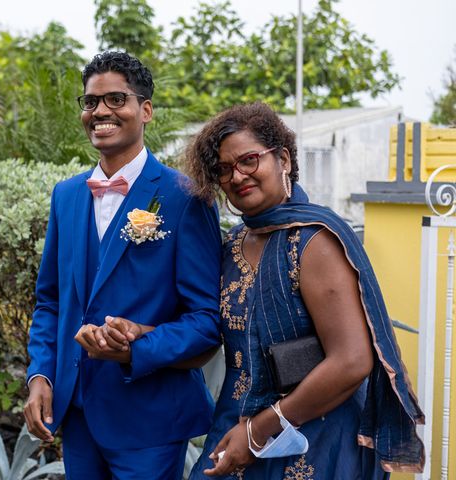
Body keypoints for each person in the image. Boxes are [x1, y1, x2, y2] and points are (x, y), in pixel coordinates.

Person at [179, 102, 425, 479]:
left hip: (314, 437)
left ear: (284, 159)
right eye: (223, 169)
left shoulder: (314, 240)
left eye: (248, 160)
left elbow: (352, 361)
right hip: (237, 421)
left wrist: (259, 431)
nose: (237, 176)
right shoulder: (233, 243)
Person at [23, 50, 222, 480]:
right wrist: (41, 375)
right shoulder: (67, 195)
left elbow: (207, 320)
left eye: (116, 99)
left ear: (144, 110)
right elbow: (50, 301)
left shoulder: (186, 196)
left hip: (150, 418)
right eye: (91, 102)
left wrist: (136, 347)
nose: (101, 112)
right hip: (77, 414)